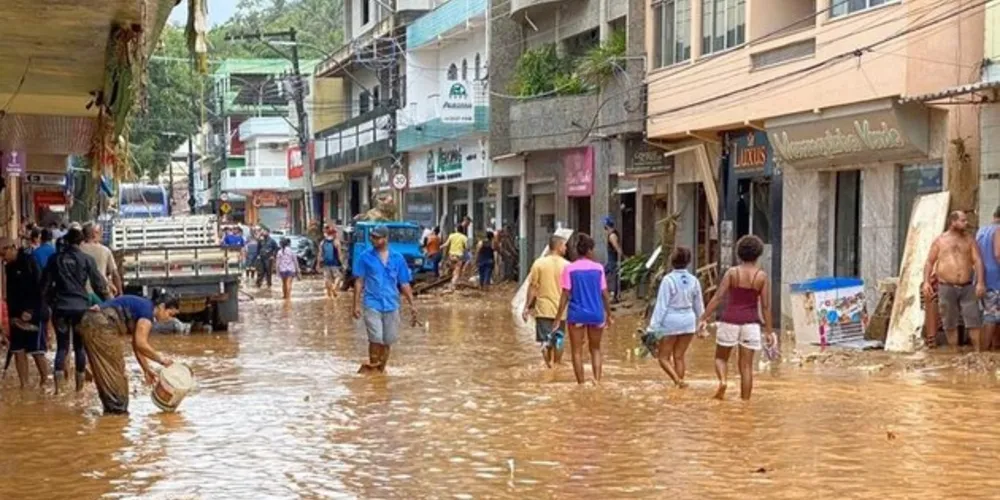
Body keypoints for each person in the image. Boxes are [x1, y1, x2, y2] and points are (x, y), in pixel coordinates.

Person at [699, 235, 775, 401]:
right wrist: (769, 332)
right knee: (746, 367)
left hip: (729, 322)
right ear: (758, 254)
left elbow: (718, 297)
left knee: (720, 358)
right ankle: (745, 405)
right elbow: (766, 307)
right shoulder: (762, 277)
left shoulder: (732, 273)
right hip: (751, 325)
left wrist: (703, 317)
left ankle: (723, 382)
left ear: (739, 253)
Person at [78, 293, 180, 415]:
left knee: (106, 373)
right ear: (162, 306)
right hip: (101, 324)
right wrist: (161, 360)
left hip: (90, 321)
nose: (169, 319)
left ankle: (111, 415)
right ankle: (117, 417)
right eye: (170, 314)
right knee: (115, 374)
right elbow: (141, 343)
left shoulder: (143, 306)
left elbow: (136, 345)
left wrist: (146, 369)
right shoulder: (147, 313)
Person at [41, 228, 111, 393]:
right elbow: (98, 284)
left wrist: (50, 303)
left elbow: (44, 286)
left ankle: (59, 390)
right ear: (80, 243)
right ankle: (79, 390)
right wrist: (109, 303)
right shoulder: (87, 260)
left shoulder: (54, 259)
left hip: (61, 308)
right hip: (81, 308)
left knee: (62, 347)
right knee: (80, 347)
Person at [352, 225, 419, 373]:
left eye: (377, 237)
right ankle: (373, 367)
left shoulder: (398, 258)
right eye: (372, 237)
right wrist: (355, 305)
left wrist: (412, 305)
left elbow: (404, 283)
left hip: (392, 304)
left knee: (388, 340)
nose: (373, 240)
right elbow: (359, 281)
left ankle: (380, 370)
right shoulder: (365, 257)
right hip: (372, 302)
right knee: (376, 338)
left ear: (386, 239)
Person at [554, 234, 613, 384]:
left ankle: (581, 384)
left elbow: (565, 295)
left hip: (576, 315)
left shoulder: (569, 269)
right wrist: (609, 314)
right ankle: (597, 381)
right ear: (589, 251)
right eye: (592, 250)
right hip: (596, 314)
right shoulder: (599, 268)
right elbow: (605, 294)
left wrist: (557, 318)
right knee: (596, 349)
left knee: (577, 351)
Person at [924, 211, 987, 351]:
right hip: (946, 286)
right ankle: (953, 351)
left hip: (967, 286)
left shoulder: (969, 240)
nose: (966, 223)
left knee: (973, 319)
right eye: (963, 220)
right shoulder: (940, 241)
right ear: (953, 222)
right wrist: (926, 282)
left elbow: (977, 261)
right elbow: (929, 262)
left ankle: (977, 351)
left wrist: (980, 282)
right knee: (949, 321)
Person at [645, 247, 703, 388]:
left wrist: (652, 328)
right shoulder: (694, 280)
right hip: (689, 322)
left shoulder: (668, 280)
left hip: (671, 321)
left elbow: (661, 306)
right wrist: (701, 323)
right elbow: (699, 305)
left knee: (663, 357)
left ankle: (678, 381)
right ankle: (678, 387)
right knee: (679, 356)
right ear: (688, 262)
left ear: (672, 261)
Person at [2, 238, 49, 389]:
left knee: (37, 351)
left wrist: (30, 311)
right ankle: (24, 385)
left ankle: (45, 382)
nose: (3, 258)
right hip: (16, 315)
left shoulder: (30, 261)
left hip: (34, 313)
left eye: (4, 253)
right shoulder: (8, 267)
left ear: (12, 247)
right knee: (18, 350)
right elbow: (9, 292)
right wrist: (10, 317)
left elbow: (40, 287)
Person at [522, 235, 569, 368]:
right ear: (559, 246)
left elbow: (533, 287)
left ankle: (548, 363)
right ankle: (557, 364)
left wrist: (526, 306)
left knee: (545, 338)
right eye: (564, 245)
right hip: (561, 311)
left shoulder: (539, 263)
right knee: (559, 339)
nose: (566, 248)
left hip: (543, 309)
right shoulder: (567, 265)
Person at [976, 206, 1000, 349]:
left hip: (983, 277)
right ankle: (985, 351)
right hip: (996, 278)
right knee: (991, 316)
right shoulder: (998, 230)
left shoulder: (982, 230)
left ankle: (990, 349)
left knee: (991, 315)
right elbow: (998, 254)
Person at [81, 222, 122, 297]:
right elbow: (115, 274)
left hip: (82, 291)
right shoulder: (105, 250)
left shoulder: (78, 249)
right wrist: (120, 293)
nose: (102, 235)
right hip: (101, 291)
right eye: (100, 232)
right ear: (95, 233)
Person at [443, 221, 469, 289]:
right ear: (462, 230)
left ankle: (450, 281)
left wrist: (440, 247)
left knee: (452, 269)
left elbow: (446, 244)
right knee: (457, 271)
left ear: (456, 229)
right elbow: (466, 247)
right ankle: (453, 285)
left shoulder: (451, 235)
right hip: (458, 257)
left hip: (451, 255)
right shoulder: (464, 237)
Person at [603, 216, 624, 303]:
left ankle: (614, 295)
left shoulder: (612, 235)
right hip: (611, 259)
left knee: (613, 276)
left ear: (607, 225)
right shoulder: (612, 234)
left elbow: (616, 246)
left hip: (613, 259)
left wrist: (621, 255)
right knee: (604, 273)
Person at [320, 226, 344, 298]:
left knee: (328, 279)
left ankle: (329, 295)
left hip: (326, 263)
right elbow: (339, 255)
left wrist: (318, 264)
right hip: (334, 263)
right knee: (339, 276)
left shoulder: (322, 242)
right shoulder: (336, 242)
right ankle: (334, 288)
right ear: (333, 233)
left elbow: (320, 254)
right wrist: (342, 264)